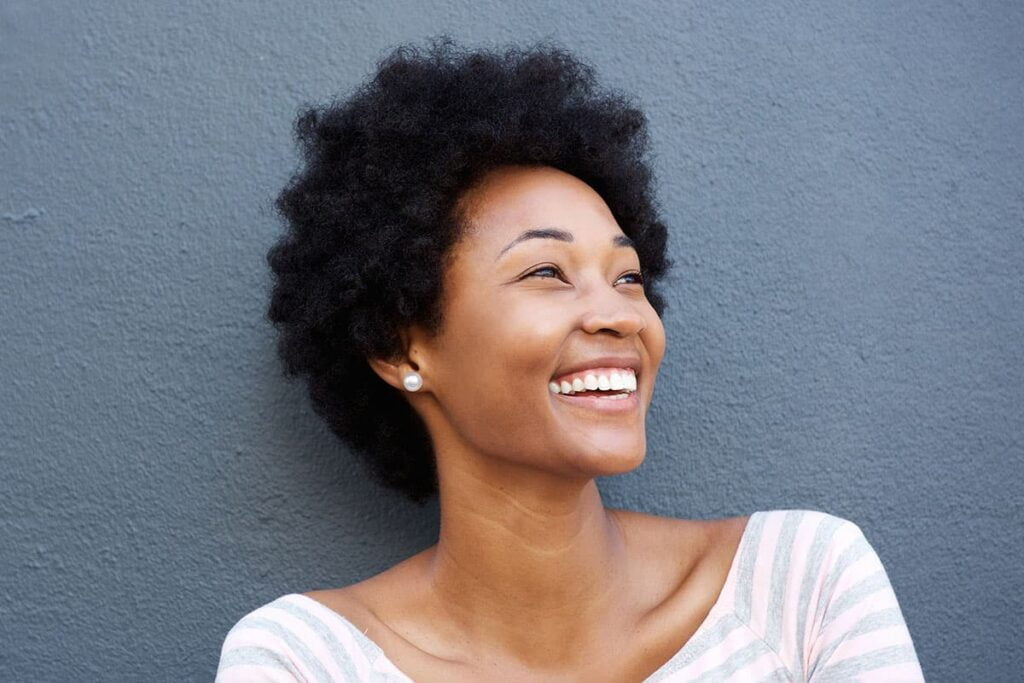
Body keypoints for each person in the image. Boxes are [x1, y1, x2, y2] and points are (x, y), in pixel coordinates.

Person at [216, 38, 923, 681]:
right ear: (401, 345)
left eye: (628, 277)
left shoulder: (800, 586)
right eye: (546, 273)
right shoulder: (305, 659)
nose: (619, 314)